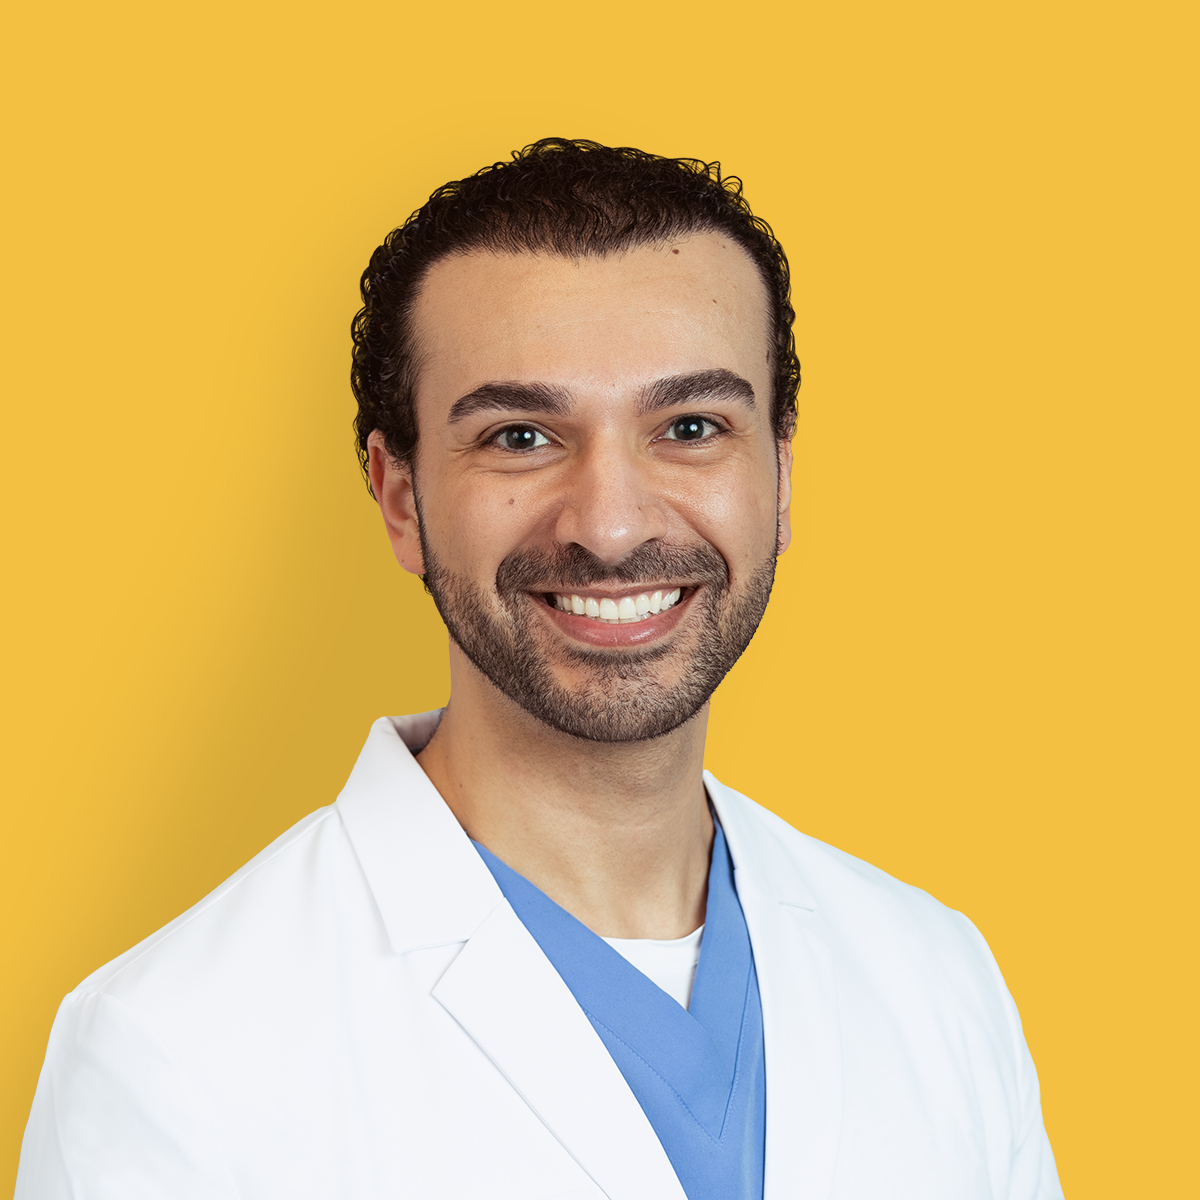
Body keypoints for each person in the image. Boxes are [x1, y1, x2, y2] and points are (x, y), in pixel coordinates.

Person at [16, 138, 1063, 1200]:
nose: (609, 526)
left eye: (690, 426)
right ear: (399, 496)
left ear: (780, 473)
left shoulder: (936, 980)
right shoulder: (172, 1055)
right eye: (520, 436)